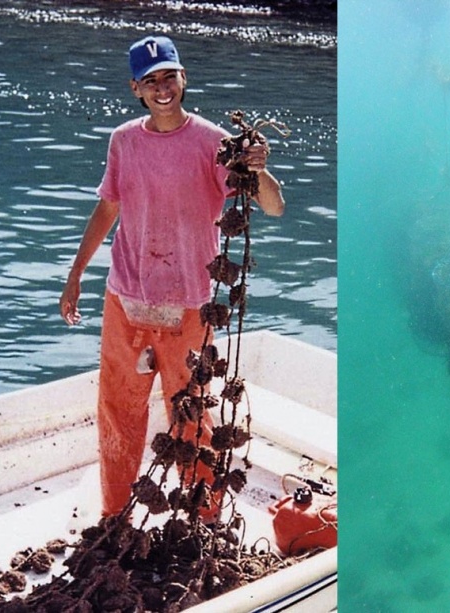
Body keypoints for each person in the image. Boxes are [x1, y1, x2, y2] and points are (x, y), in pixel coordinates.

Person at [59, 34, 284, 520]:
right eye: (150, 81)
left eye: (170, 77)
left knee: (193, 418)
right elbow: (108, 207)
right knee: (118, 414)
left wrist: (258, 168)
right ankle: (113, 514)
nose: (162, 88)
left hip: (188, 307)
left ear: (184, 79)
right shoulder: (123, 140)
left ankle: (201, 520)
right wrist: (76, 273)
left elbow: (273, 206)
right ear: (135, 88)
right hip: (125, 302)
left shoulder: (213, 142)